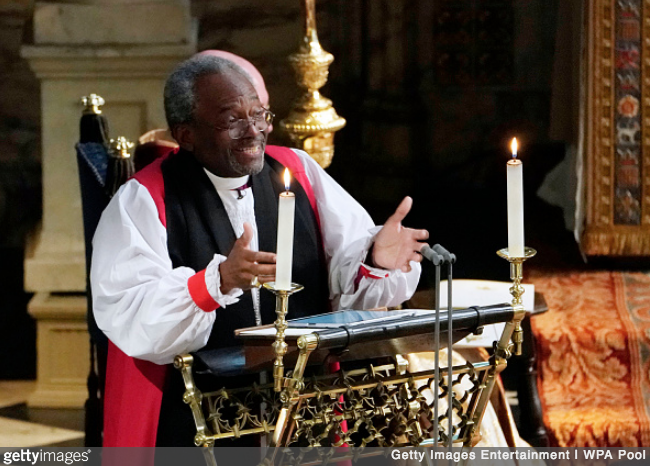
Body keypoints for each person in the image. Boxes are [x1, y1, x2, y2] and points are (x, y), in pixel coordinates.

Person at [90, 53, 429, 447]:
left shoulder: (296, 170)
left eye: (259, 115)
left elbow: (345, 276)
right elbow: (129, 312)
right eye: (232, 120)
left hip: (302, 404)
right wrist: (214, 283)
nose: (253, 131)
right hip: (194, 415)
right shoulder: (145, 198)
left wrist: (376, 260)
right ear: (185, 134)